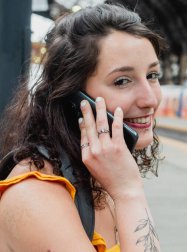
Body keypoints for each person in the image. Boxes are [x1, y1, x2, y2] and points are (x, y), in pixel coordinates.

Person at [0, 3, 165, 252]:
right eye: (122, 81)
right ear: (74, 97)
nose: (150, 99)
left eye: (152, 75)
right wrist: (129, 192)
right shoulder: (35, 195)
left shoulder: (98, 175)